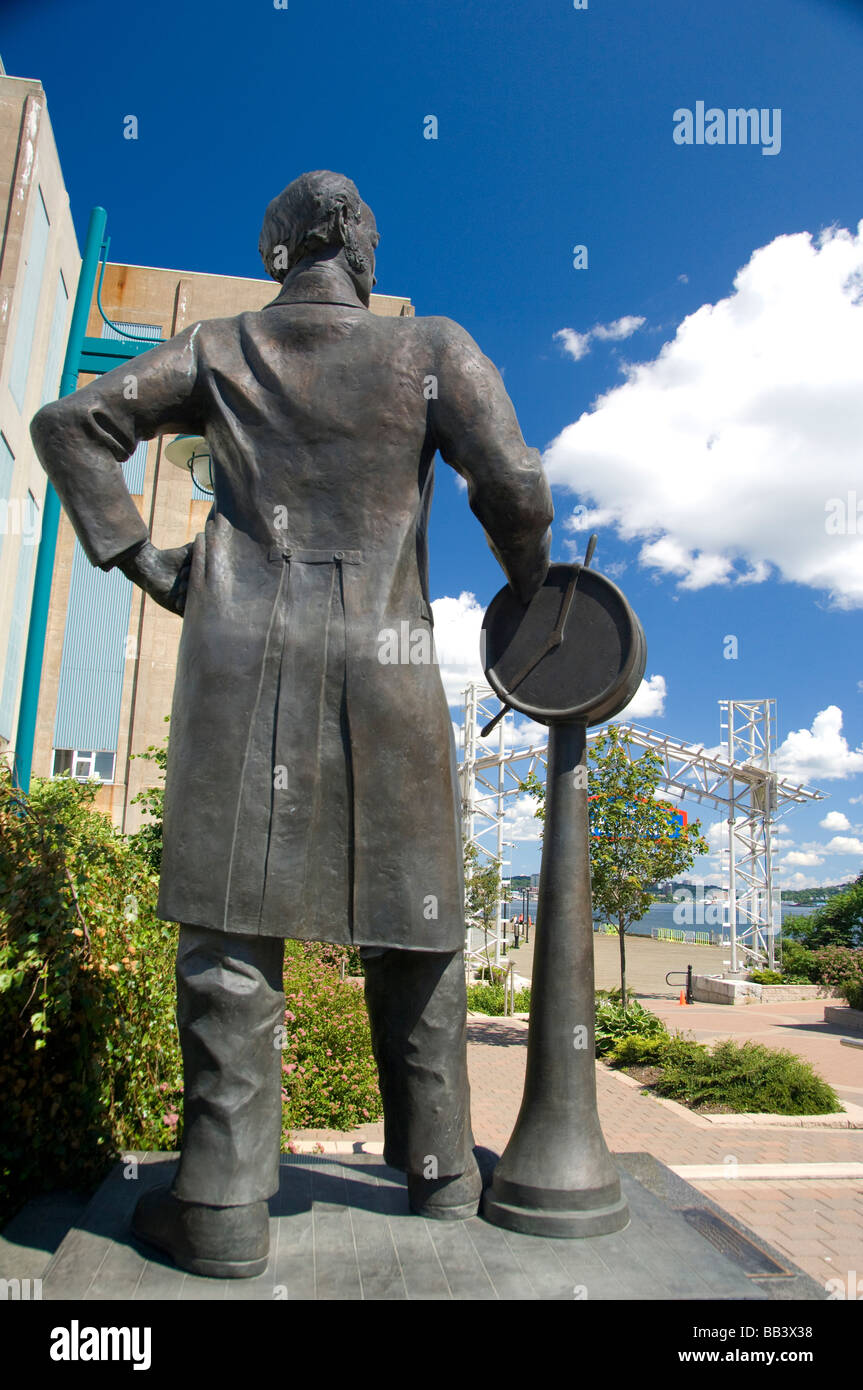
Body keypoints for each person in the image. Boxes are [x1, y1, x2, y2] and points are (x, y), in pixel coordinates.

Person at [30, 171, 553, 1278]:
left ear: (277, 252)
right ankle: (441, 1172)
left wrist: (148, 561)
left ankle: (220, 1199)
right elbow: (512, 480)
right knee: (417, 913)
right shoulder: (432, 348)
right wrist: (529, 594)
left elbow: (73, 424)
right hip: (388, 653)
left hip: (239, 648)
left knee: (229, 918)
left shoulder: (217, 348)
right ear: (362, 253)